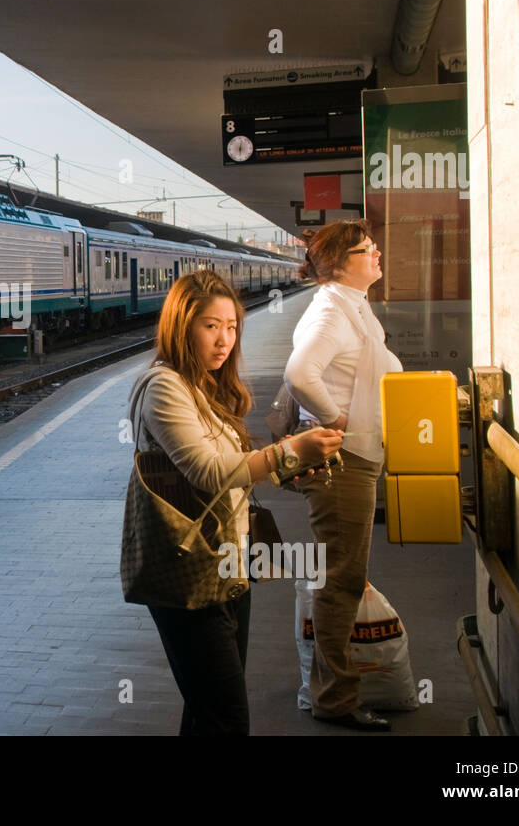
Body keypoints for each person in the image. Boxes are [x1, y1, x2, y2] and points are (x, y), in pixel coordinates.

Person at [128, 270, 343, 736]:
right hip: (186, 568)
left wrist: (293, 466)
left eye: (231, 327)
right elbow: (207, 472)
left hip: (226, 561)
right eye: (210, 326)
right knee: (227, 717)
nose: (224, 339)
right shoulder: (165, 387)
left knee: (208, 712)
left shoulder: (205, 386)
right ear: (181, 327)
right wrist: (289, 451)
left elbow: (234, 469)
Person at [283, 219, 403, 732]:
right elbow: (300, 372)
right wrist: (336, 418)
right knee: (341, 582)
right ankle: (335, 698)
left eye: (374, 247)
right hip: (341, 464)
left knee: (343, 577)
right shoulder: (331, 309)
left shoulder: (351, 304)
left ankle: (331, 688)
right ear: (337, 262)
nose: (376, 254)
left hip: (355, 460)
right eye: (366, 249)